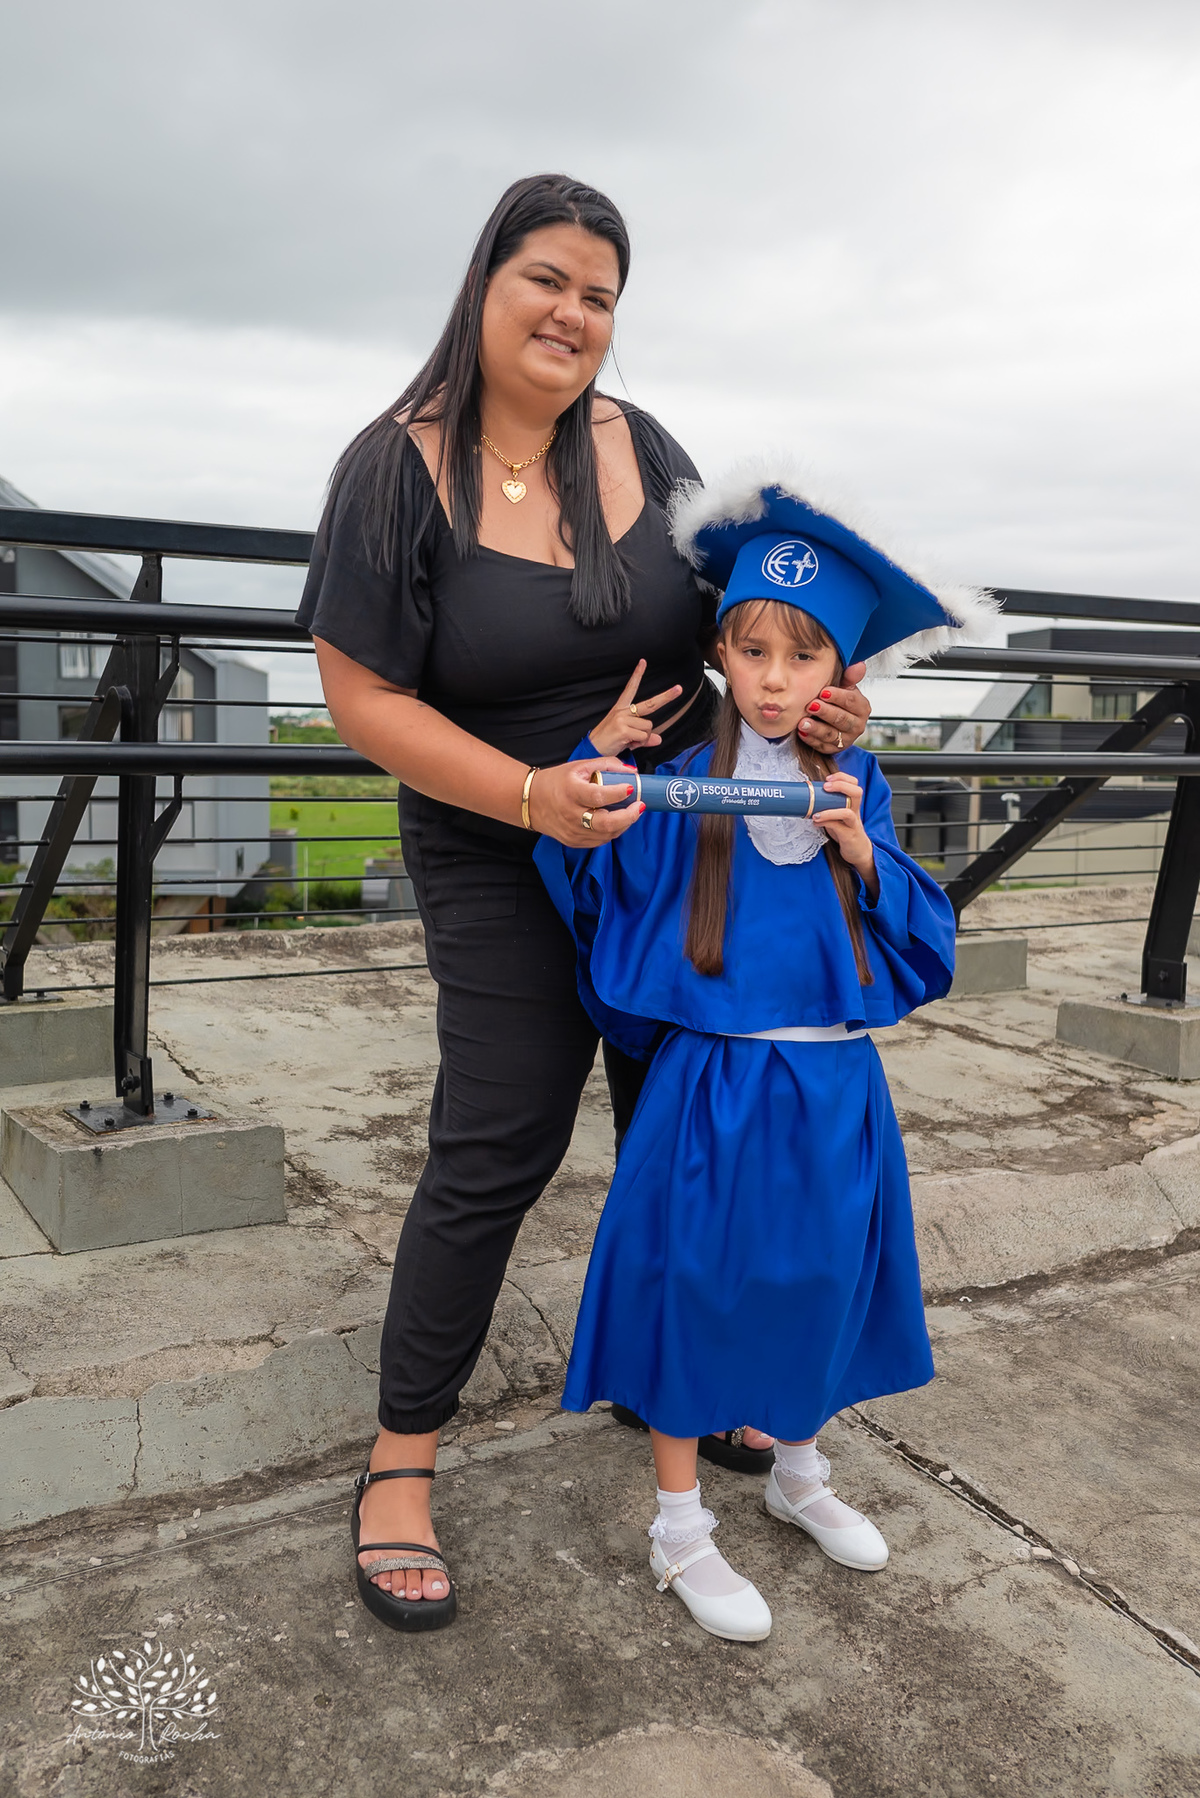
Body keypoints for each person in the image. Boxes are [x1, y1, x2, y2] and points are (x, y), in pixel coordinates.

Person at [298, 174, 873, 1633]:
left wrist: (810, 694)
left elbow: (749, 627)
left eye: (601, 295)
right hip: (500, 846)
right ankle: (401, 1459)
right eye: (547, 278)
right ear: (487, 281)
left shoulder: (641, 446)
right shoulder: (394, 466)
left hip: (675, 851)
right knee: (498, 1138)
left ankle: (666, 1383)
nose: (572, 314)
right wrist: (532, 794)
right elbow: (362, 699)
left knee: (682, 1127)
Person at [534, 472, 994, 1640]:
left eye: (803, 655)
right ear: (722, 657)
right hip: (715, 1087)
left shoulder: (856, 785)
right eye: (752, 649)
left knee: (815, 1277)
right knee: (694, 1289)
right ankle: (679, 1526)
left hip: (835, 1085)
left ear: (838, 675)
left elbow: (925, 946)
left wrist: (863, 852)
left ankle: (797, 1470)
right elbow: (592, 893)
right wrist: (592, 765)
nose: (775, 676)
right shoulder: (681, 789)